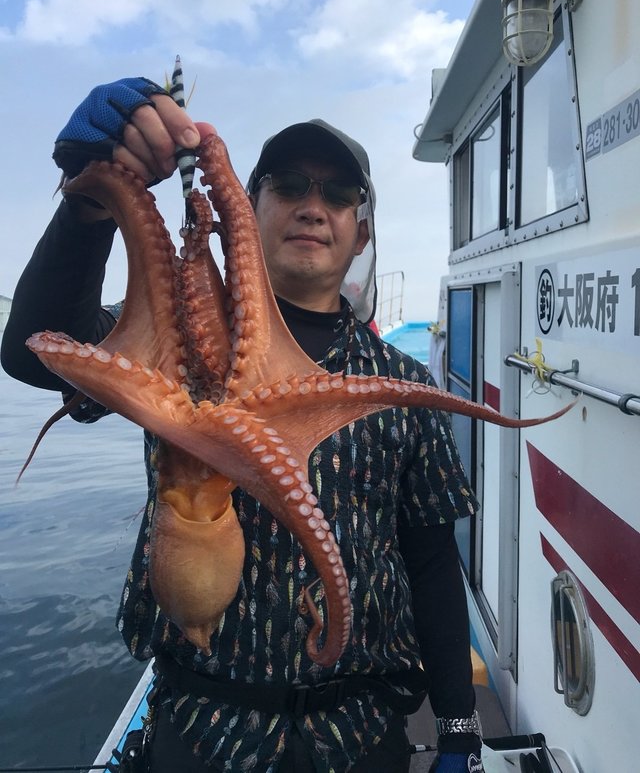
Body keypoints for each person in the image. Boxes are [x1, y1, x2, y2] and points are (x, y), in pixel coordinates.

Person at [2, 78, 484, 773]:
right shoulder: (178, 358)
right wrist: (86, 206)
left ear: (362, 230)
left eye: (339, 194)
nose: (313, 206)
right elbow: (32, 351)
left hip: (357, 734)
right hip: (203, 727)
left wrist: (459, 726)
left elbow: (433, 560)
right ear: (249, 213)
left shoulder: (405, 387)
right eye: (288, 185)